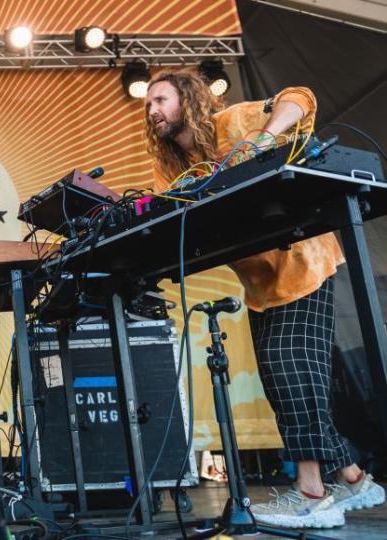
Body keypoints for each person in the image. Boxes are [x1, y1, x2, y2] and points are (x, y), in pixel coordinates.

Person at [143, 69, 385, 529]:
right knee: (283, 381)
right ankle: (354, 479)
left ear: (188, 100)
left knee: (288, 364)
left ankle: (313, 494)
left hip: (304, 263)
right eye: (149, 105)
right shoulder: (169, 168)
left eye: (161, 100)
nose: (153, 110)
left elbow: (301, 97)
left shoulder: (234, 121)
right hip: (260, 286)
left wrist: (261, 139)